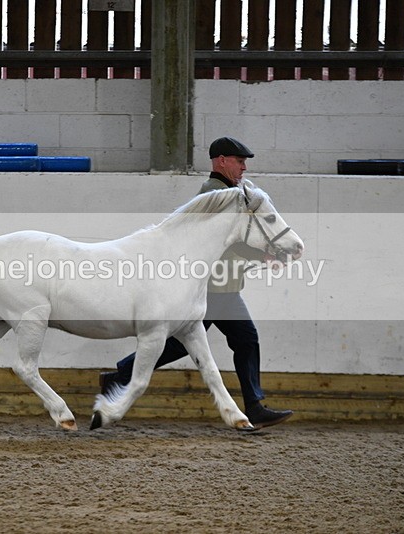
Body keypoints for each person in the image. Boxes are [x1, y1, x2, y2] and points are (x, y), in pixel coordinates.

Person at [99, 136, 293, 429]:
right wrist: (262, 254)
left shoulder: (233, 192)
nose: (243, 168)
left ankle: (119, 376)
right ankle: (252, 406)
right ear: (221, 161)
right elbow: (228, 242)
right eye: (239, 162)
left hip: (223, 286)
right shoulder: (213, 193)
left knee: (225, 340)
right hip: (212, 286)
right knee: (201, 342)